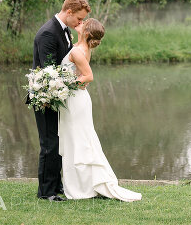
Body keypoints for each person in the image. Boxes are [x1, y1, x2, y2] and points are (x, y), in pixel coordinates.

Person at [58, 18, 142, 201]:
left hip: (75, 100)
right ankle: (81, 183)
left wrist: (63, 86)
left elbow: (88, 76)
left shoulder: (78, 51)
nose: (80, 23)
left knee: (79, 140)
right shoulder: (79, 47)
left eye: (83, 23)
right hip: (75, 99)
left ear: (87, 33)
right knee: (77, 139)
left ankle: (82, 187)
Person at [31, 0, 90, 201]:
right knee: (49, 143)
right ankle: (46, 192)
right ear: (69, 12)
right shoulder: (48, 33)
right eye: (79, 19)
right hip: (46, 97)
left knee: (59, 141)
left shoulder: (64, 31)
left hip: (57, 95)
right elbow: (49, 72)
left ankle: (56, 185)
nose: (80, 23)